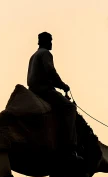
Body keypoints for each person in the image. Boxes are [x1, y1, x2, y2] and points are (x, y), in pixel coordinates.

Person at [27, 32, 83, 163]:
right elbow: (51, 72)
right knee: (70, 108)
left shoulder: (34, 56)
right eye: (50, 40)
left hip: (34, 91)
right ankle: (70, 148)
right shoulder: (45, 54)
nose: (51, 43)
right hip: (44, 91)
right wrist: (63, 86)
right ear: (45, 41)